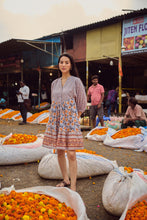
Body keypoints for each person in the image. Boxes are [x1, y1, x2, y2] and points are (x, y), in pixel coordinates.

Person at [42, 53, 87, 191]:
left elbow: (82, 102)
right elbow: (53, 103)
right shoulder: (54, 83)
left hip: (70, 121)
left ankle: (73, 185)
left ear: (71, 65)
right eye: (61, 62)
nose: (63, 65)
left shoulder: (76, 81)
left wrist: (75, 118)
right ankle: (65, 179)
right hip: (56, 121)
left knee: (71, 154)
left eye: (66, 62)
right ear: (58, 65)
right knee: (60, 152)